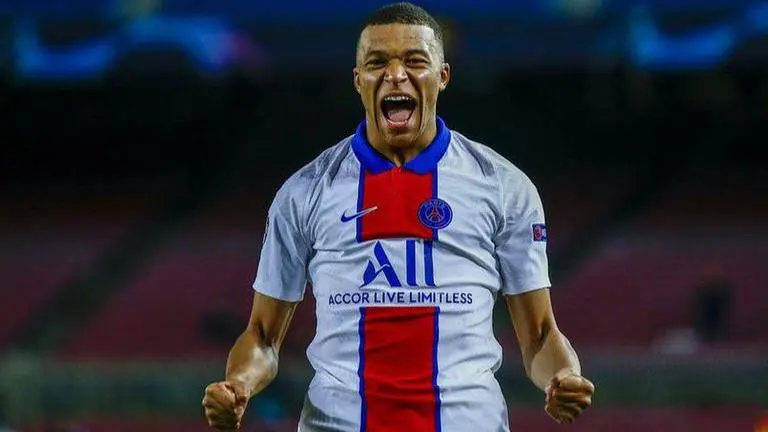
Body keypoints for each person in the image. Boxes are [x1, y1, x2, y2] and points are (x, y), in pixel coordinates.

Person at [203, 3, 594, 431]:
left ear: (442, 76)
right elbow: (262, 336)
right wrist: (238, 384)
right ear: (358, 80)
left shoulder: (503, 186)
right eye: (377, 63)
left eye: (414, 61)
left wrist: (562, 376)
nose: (395, 74)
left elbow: (540, 336)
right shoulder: (305, 192)